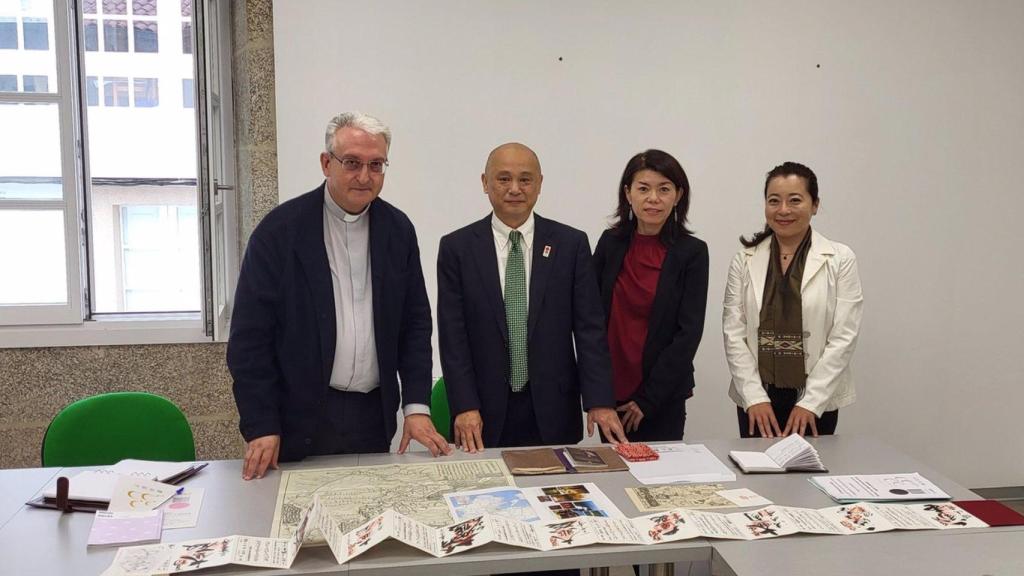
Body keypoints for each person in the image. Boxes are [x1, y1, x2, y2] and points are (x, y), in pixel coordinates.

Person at [228, 112, 450, 481]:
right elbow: (249, 341)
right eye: (352, 163)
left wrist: (416, 406)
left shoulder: (398, 230)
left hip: (373, 415)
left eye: (376, 165)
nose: (364, 176)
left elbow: (414, 325)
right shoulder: (279, 232)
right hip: (297, 417)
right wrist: (261, 423)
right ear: (326, 163)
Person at [437, 142, 628, 453]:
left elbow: (590, 330)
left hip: (553, 410)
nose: (515, 188)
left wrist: (599, 401)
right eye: (503, 178)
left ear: (539, 185)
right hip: (481, 414)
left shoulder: (571, 244)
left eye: (525, 179)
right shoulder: (457, 248)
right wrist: (464, 406)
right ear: (485, 183)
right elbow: (452, 337)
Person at [723, 161, 863, 438]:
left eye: (795, 200)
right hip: (757, 400)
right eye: (774, 201)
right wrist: (754, 397)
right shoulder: (745, 258)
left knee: (809, 477)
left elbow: (844, 336)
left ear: (815, 204)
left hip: (815, 400)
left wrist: (811, 403)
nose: (783, 210)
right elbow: (733, 332)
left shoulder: (840, 258)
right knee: (757, 476)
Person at [593, 150, 709, 441]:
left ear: (678, 195)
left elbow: (688, 333)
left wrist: (649, 399)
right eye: (643, 188)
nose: (653, 198)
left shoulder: (692, 253)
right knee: (613, 477)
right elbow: (590, 318)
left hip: (662, 397)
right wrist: (596, 391)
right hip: (612, 395)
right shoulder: (610, 243)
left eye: (664, 189)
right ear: (628, 193)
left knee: (660, 479)